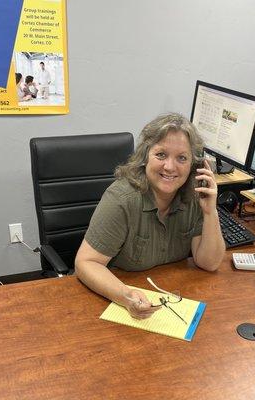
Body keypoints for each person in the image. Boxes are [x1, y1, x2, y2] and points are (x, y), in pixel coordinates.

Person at [75, 113, 225, 319]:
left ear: (193, 165)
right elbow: (86, 262)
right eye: (161, 155)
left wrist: (210, 212)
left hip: (173, 300)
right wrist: (125, 296)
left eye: (182, 158)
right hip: (119, 302)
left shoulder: (194, 196)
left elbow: (209, 263)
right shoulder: (121, 199)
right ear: (145, 156)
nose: (170, 167)